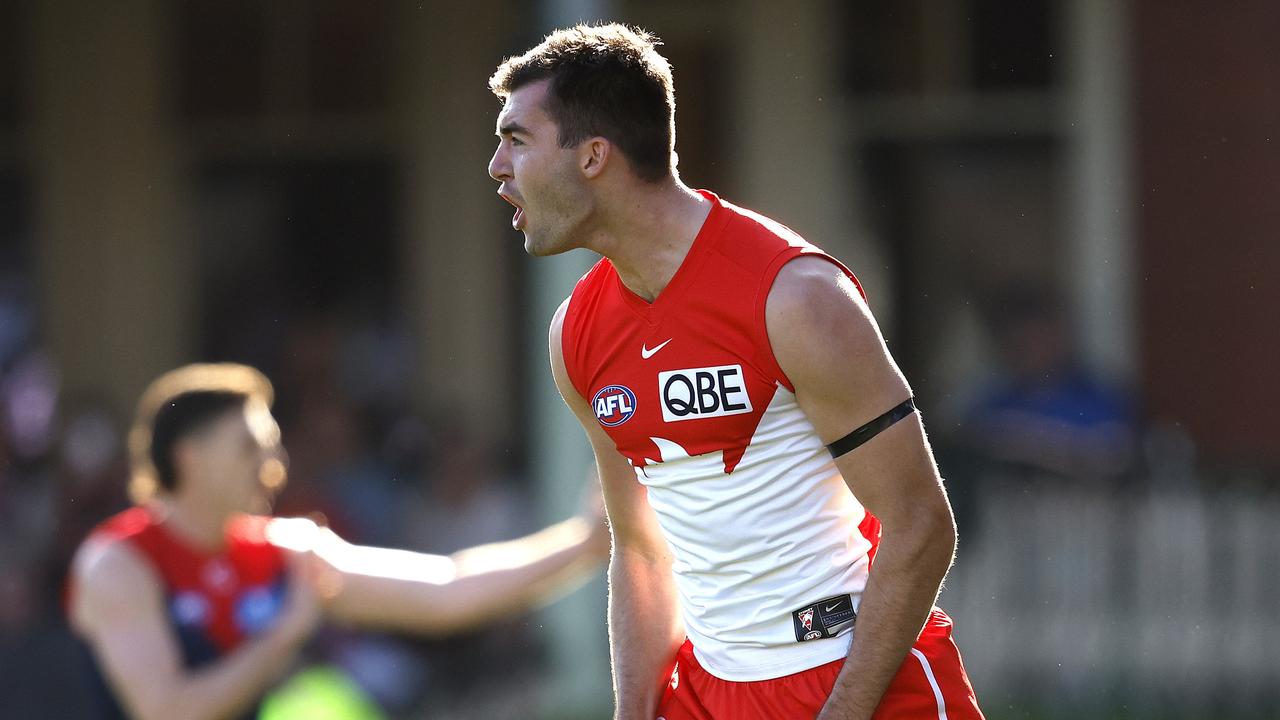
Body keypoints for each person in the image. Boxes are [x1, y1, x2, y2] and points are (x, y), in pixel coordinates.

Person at [487, 24, 983, 720]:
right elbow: (639, 550)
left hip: (856, 679)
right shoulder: (575, 334)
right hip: (708, 693)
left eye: (517, 139)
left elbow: (922, 524)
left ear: (594, 155)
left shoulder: (796, 297)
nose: (497, 166)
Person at [67, 363, 609, 720]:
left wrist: (587, 542)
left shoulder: (284, 551)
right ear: (189, 457)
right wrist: (284, 635)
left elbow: (449, 587)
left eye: (274, 449)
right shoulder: (118, 564)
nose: (274, 468)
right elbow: (165, 711)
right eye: (250, 449)